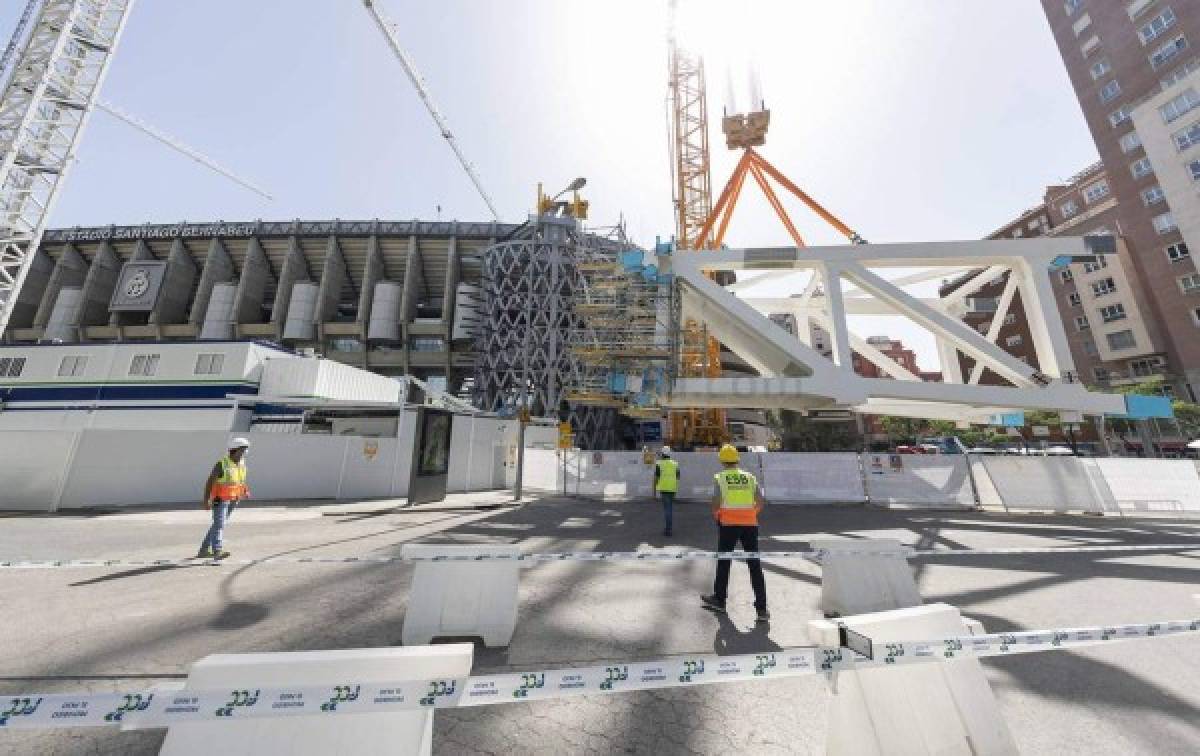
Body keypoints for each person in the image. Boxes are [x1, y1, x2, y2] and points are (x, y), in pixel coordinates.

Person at [701, 444, 769, 622]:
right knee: (754, 565)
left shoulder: (720, 477)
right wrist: (751, 514)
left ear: (722, 461)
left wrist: (717, 516)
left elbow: (716, 501)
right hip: (750, 525)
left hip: (728, 524)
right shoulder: (749, 477)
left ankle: (719, 600)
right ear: (737, 460)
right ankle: (762, 608)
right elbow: (761, 501)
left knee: (724, 562)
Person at [198, 438, 251, 559]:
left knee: (217, 524)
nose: (245, 453)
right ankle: (217, 551)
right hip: (220, 500)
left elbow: (240, 480)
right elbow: (209, 482)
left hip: (233, 499)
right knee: (219, 525)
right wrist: (206, 500)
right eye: (243, 450)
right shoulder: (222, 464)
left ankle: (203, 550)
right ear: (235, 450)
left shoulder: (241, 464)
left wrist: (245, 490)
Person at [653, 446, 679, 537]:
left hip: (664, 489)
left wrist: (654, 491)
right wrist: (675, 489)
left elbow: (656, 478)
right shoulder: (675, 464)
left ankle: (668, 529)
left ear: (662, 454)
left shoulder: (658, 464)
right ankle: (669, 528)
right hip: (672, 488)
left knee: (667, 509)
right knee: (670, 508)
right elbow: (678, 477)